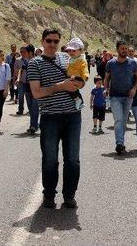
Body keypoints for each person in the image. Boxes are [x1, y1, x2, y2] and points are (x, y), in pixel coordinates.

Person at [28, 28, 84, 209]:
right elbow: (36, 93)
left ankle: (69, 195)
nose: (52, 44)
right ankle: (49, 195)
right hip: (50, 117)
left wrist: (80, 82)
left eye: (56, 41)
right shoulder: (34, 64)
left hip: (73, 116)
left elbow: (80, 77)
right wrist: (60, 86)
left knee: (73, 159)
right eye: (49, 41)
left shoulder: (67, 58)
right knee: (50, 159)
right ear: (42, 41)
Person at [104, 41, 137, 155]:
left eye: (125, 48)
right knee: (118, 119)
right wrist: (106, 89)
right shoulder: (111, 63)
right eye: (122, 48)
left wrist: (134, 88)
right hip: (115, 96)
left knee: (123, 121)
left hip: (128, 97)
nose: (124, 50)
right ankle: (119, 143)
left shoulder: (133, 63)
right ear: (117, 50)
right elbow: (107, 78)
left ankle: (121, 142)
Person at [65, 37, 89, 107]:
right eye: (69, 50)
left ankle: (78, 100)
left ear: (81, 51)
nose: (71, 52)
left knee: (70, 89)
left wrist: (85, 76)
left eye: (74, 51)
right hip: (71, 76)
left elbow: (84, 68)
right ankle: (80, 102)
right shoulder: (71, 59)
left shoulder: (81, 60)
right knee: (72, 89)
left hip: (76, 77)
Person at [15, 47, 29, 116]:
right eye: (21, 52)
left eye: (24, 51)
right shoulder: (18, 60)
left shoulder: (30, 59)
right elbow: (16, 70)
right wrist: (15, 79)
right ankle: (20, 110)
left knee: (28, 97)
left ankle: (30, 109)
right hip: (21, 81)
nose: (22, 53)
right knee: (20, 96)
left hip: (29, 82)